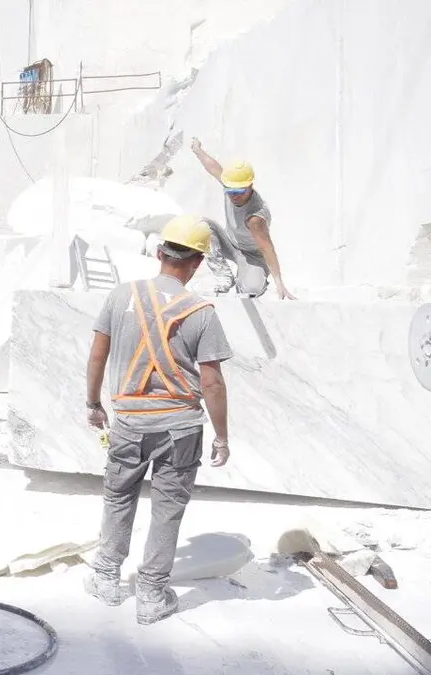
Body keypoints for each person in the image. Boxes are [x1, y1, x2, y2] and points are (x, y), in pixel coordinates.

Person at [82, 214, 233, 625]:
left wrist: (94, 403)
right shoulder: (201, 312)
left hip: (129, 423)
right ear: (197, 264)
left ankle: (107, 577)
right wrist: (221, 437)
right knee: (168, 508)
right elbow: (213, 383)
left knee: (118, 496)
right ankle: (150, 594)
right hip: (181, 429)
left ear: (159, 253)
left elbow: (98, 355)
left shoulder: (120, 296)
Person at [190, 139, 295, 300]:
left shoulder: (255, 217)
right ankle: (224, 275)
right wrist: (198, 149)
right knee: (200, 224)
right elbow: (212, 166)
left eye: (239, 190)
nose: (234, 195)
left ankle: (251, 276)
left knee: (250, 290)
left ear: (250, 186)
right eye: (230, 190)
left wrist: (279, 283)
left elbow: (267, 248)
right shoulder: (230, 184)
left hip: (252, 255)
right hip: (230, 243)